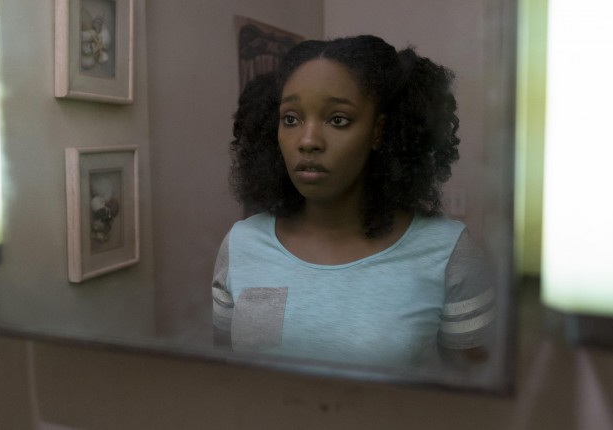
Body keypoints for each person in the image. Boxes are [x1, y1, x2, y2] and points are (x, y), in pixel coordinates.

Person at [212, 35, 494, 369]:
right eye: (291, 119)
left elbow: (472, 386)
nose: (308, 141)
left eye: (338, 119)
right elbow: (224, 375)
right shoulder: (242, 244)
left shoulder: (447, 253)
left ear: (379, 131)